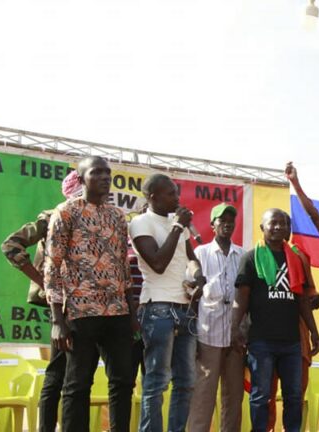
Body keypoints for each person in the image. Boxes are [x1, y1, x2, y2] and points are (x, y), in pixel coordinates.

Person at [44, 156, 134, 432]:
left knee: (123, 380)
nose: (106, 177)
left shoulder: (118, 216)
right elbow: (53, 265)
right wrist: (58, 320)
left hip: (117, 311)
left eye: (108, 173)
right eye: (97, 173)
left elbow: (123, 264)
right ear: (82, 179)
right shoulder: (66, 212)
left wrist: (131, 310)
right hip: (81, 312)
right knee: (78, 383)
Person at [0, 171, 83, 432]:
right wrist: (44, 283)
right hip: (63, 305)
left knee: (78, 374)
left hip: (89, 304)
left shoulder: (97, 218)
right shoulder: (51, 217)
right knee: (58, 373)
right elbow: (11, 245)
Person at [232, 208, 319, 432]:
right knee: (261, 396)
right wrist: (235, 328)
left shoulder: (297, 260)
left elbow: (302, 302)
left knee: (293, 396)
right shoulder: (250, 258)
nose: (279, 227)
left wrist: (314, 332)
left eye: (282, 223)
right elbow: (241, 297)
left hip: (291, 341)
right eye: (273, 223)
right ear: (263, 227)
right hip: (261, 341)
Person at [130, 173, 206, 432]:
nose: (177, 198)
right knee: (157, 381)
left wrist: (197, 275)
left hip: (185, 308)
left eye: (177, 192)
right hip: (157, 308)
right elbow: (158, 263)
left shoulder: (179, 225)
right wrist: (177, 227)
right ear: (153, 197)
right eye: (171, 193)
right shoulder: (141, 223)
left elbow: (190, 257)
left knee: (186, 381)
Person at [187, 203, 245, 432]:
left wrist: (243, 330)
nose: (228, 224)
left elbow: (247, 296)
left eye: (231, 220)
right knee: (203, 395)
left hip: (235, 335)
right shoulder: (200, 254)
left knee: (233, 396)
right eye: (222, 220)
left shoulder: (242, 254)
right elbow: (188, 289)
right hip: (207, 334)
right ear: (212, 225)